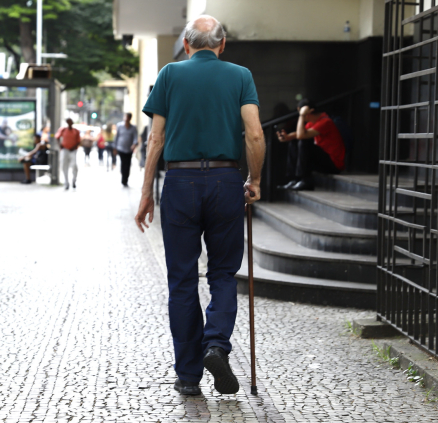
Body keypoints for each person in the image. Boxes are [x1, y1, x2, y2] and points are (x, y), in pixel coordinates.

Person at [135, 15, 265, 397]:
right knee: (223, 273)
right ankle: (216, 345)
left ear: (188, 45)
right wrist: (254, 179)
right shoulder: (240, 75)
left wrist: (146, 192)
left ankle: (189, 376)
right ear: (222, 45)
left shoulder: (170, 74)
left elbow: (155, 140)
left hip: (180, 182)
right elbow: (254, 133)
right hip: (226, 181)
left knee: (182, 280)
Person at [276, 99, 345, 190]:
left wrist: (301, 115)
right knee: (294, 141)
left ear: (310, 112)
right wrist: (288, 137)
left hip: (334, 164)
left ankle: (306, 180)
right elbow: (298, 134)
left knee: (304, 141)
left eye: (302, 113)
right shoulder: (312, 123)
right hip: (323, 161)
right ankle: (294, 179)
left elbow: (301, 135)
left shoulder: (325, 122)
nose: (301, 116)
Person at [55, 118, 81, 190]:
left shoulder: (76, 131)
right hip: (65, 150)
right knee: (64, 166)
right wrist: (60, 145)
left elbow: (79, 141)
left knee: (74, 166)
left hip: (73, 150)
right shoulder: (63, 130)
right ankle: (66, 182)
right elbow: (57, 137)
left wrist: (74, 147)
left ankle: (74, 181)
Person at [113, 113, 139, 187]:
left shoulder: (133, 128)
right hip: (121, 148)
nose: (126, 119)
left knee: (127, 164)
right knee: (123, 163)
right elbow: (116, 137)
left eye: (127, 117)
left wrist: (134, 144)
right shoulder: (119, 126)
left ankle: (125, 179)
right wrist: (115, 147)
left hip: (129, 149)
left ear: (130, 118)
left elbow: (135, 137)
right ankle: (123, 178)